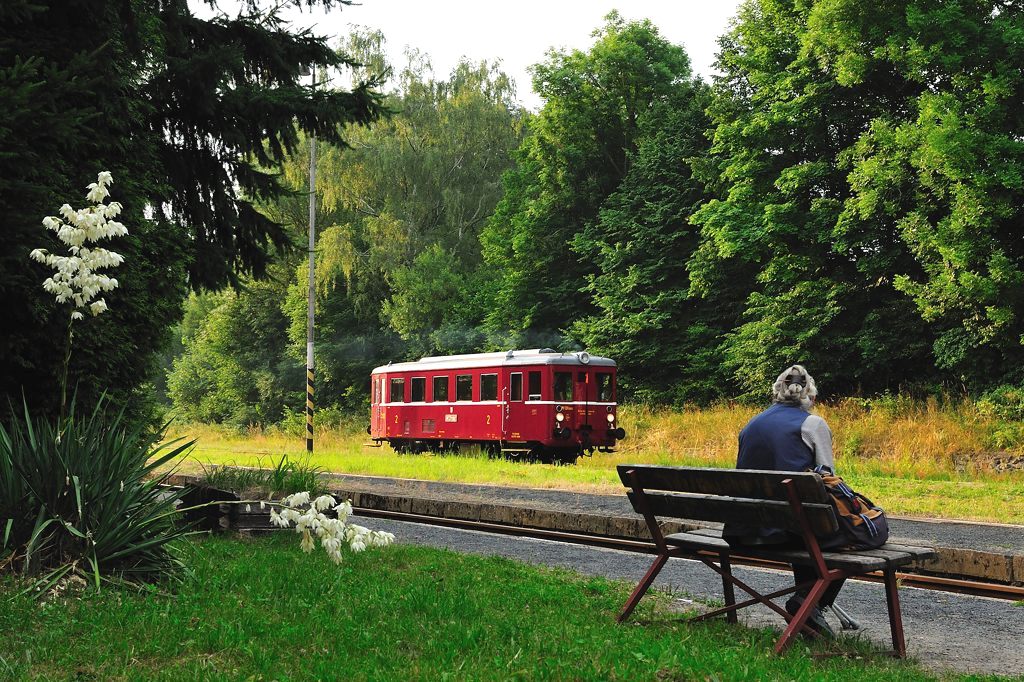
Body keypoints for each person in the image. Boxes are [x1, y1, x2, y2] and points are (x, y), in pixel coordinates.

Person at [722, 364, 842, 637]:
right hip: (784, 532)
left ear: (776, 391)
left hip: (743, 530)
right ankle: (810, 604)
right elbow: (828, 479)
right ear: (810, 395)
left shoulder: (751, 424)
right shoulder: (813, 424)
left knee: (804, 523)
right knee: (847, 539)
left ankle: (806, 605)